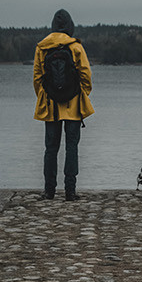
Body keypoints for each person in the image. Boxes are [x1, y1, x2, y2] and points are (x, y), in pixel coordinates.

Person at [33, 11, 93, 200]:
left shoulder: (42, 47)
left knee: (51, 148)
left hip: (50, 107)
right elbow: (86, 76)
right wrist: (80, 95)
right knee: (72, 147)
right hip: (73, 106)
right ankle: (70, 191)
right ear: (70, 26)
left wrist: (44, 96)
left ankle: (49, 191)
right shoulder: (75, 47)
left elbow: (37, 78)